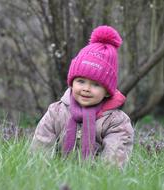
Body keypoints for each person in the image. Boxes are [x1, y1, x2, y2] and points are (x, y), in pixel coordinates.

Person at [30, 25, 134, 169]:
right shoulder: (56, 112)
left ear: (108, 91)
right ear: (72, 83)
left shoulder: (115, 122)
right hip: (58, 175)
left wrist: (98, 179)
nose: (86, 88)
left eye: (96, 85)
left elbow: (114, 158)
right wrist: (42, 171)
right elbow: (41, 147)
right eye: (81, 81)